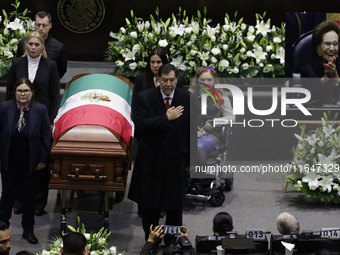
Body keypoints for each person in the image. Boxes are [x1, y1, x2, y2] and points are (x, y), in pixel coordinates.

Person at [128, 64, 193, 246]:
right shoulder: (145, 98)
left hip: (176, 161)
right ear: (158, 80)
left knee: (174, 208)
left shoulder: (187, 98)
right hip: (151, 162)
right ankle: (152, 241)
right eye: (165, 80)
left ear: (177, 79)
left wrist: (191, 160)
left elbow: (191, 130)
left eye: (172, 80)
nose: (169, 84)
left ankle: (172, 242)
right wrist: (165, 118)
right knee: (150, 207)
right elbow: (141, 126)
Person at [6, 30, 59, 216]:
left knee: (39, 159)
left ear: (42, 46)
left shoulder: (50, 65)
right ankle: (19, 202)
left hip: (41, 116)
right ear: (25, 46)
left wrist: (51, 120)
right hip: (19, 115)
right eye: (30, 44)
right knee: (19, 157)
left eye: (37, 44)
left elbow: (54, 95)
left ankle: (38, 203)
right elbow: (9, 90)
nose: (33, 47)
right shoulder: (17, 63)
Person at [0, 78, 52, 244]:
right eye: (19, 90)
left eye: (26, 91)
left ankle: (28, 230)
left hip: (30, 163)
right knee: (6, 196)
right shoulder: (5, 108)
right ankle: (2, 229)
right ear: (14, 92)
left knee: (28, 198)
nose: (22, 94)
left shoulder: (40, 110)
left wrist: (43, 159)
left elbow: (46, 136)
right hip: (8, 161)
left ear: (32, 93)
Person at [190, 67, 235, 164]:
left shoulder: (221, 97)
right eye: (202, 80)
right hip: (190, 133)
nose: (206, 82)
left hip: (211, 134)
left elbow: (231, 118)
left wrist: (214, 122)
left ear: (214, 80)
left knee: (197, 147)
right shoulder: (189, 96)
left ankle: (200, 178)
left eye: (209, 80)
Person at [131, 47, 183, 119]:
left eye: (158, 62)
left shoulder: (176, 80)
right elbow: (135, 105)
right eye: (152, 62)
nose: (155, 65)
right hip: (148, 122)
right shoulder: (141, 79)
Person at [16, 11, 67, 79]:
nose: (41, 28)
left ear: (50, 26)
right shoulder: (23, 44)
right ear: (34, 25)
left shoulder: (59, 47)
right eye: (38, 25)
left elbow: (61, 70)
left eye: (44, 25)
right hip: (26, 85)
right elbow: (18, 65)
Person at [300, 20, 340, 105]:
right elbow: (306, 101)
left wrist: (336, 78)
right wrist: (324, 81)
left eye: (335, 43)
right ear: (319, 49)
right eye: (327, 43)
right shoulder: (307, 71)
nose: (332, 48)